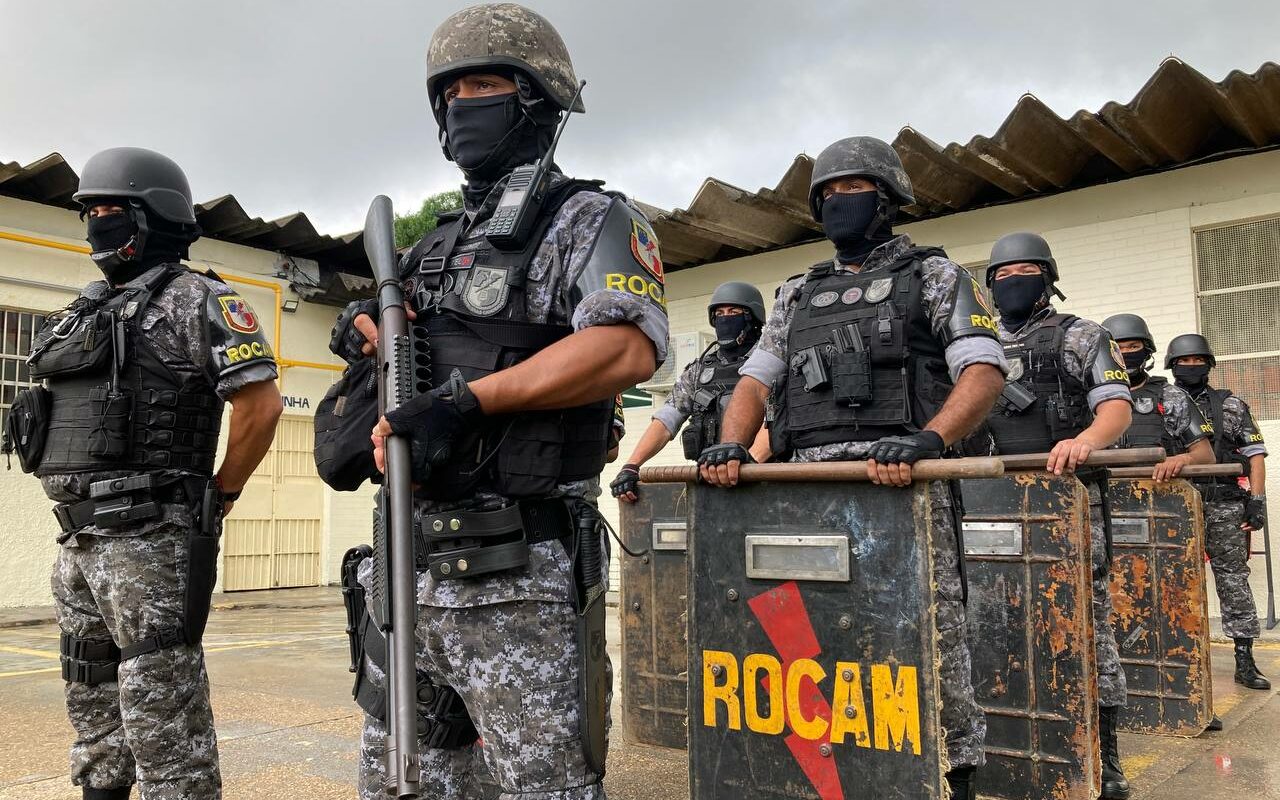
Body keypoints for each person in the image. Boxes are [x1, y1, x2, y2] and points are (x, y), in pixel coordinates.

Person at [329, 4, 667, 797]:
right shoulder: (434, 242)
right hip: (405, 569)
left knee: (544, 786)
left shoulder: (588, 219)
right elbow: (400, 374)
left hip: (517, 572)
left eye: (482, 85)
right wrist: (368, 337)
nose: (459, 106)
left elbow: (625, 345)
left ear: (538, 99)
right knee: (402, 783)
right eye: (448, 94)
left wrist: (469, 403)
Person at [698, 136, 1005, 800]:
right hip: (811, 491)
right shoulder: (797, 292)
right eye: (828, 194)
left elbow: (982, 372)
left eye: (853, 190)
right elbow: (755, 382)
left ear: (889, 199)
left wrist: (929, 439)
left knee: (932, 644)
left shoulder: (935, 275)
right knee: (816, 647)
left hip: (902, 486)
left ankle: (961, 779)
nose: (839, 202)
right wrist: (733, 443)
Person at [8, 147, 282, 800]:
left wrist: (224, 491)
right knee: (91, 701)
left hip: (150, 541)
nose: (98, 222)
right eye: (91, 211)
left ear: (156, 215)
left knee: (162, 708)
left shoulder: (200, 300)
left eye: (112, 210)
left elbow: (261, 404)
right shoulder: (87, 309)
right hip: (76, 541)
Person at [981, 232, 1133, 799]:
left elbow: (1114, 408)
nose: (1011, 283)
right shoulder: (976, 345)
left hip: (1068, 504)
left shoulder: (1081, 336)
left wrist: (1085, 443)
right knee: (994, 622)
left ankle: (1108, 754)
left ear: (1047, 277)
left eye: (1023, 271)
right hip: (990, 505)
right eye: (1000, 274)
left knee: (1088, 626)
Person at [1166, 333, 1270, 690]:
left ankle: (1245, 659)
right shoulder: (1161, 402)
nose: (1192, 366)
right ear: (1171, 365)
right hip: (1176, 504)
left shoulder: (1231, 405)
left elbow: (1255, 454)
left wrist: (1257, 501)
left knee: (1233, 580)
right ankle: (1178, 659)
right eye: (1184, 361)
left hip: (1225, 503)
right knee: (1174, 583)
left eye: (1198, 361)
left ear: (1209, 364)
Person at [610, 281, 769, 502]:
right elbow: (667, 419)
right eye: (719, 313)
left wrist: (749, 465)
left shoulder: (771, 363)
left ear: (752, 318)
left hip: (764, 481)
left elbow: (778, 421)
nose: (725, 318)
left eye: (734, 312)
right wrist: (631, 465)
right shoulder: (700, 370)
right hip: (710, 482)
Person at [1101, 313, 1214, 475]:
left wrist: (1181, 459)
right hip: (1102, 495)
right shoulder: (1087, 397)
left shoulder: (1171, 396)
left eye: (1133, 347)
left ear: (1146, 352)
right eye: (1119, 348)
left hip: (1158, 492)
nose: (1126, 353)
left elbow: (1206, 455)